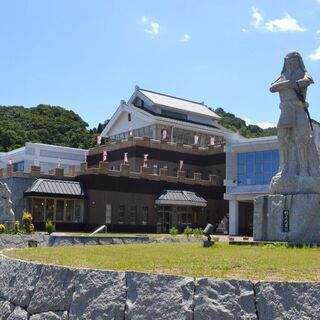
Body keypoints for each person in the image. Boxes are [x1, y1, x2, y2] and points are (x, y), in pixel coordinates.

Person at [270, 51, 314, 176]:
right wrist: (287, 84)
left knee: (301, 139)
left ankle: (304, 169)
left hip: (299, 109)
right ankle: (284, 168)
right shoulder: (282, 76)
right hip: (286, 111)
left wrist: (300, 83)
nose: (290, 63)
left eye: (293, 61)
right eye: (288, 61)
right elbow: (272, 87)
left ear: (298, 61)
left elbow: (308, 80)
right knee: (283, 138)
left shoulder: (304, 73)